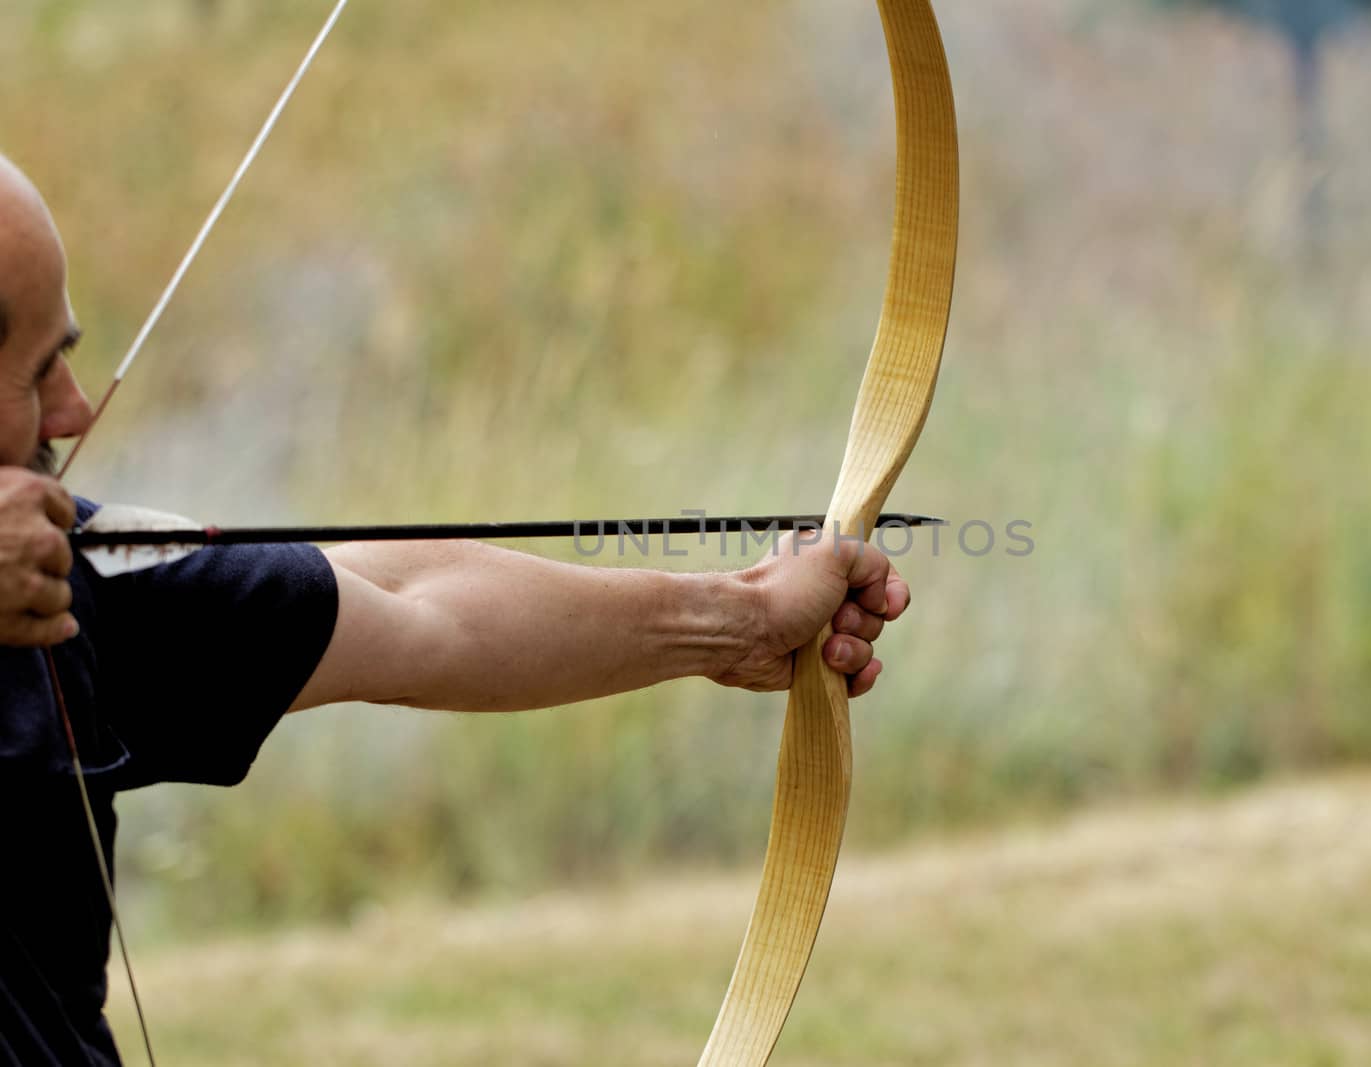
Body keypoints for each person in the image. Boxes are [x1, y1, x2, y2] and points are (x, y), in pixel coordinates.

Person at [0, 153, 909, 1065]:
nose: (75, 411)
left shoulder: (53, 582)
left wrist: (744, 617)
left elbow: (418, 606)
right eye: (37, 374)